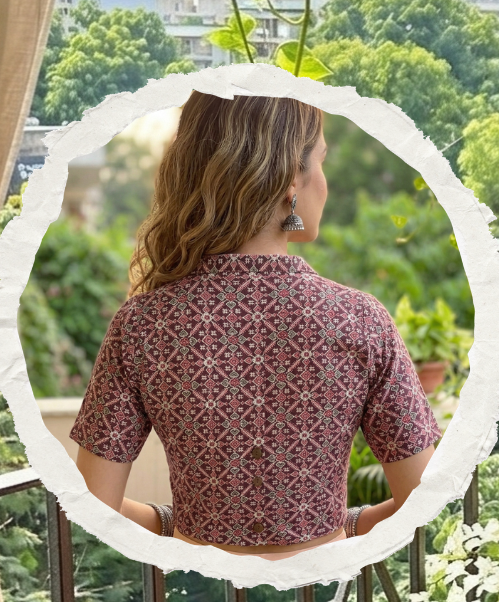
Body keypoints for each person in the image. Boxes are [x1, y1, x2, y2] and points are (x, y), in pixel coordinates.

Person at [70, 92, 442, 558]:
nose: (325, 182)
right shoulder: (360, 320)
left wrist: (175, 527)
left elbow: (92, 503)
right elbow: (423, 497)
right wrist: (342, 526)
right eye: (321, 161)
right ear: (291, 177)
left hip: (199, 592)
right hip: (321, 586)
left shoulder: (142, 325)